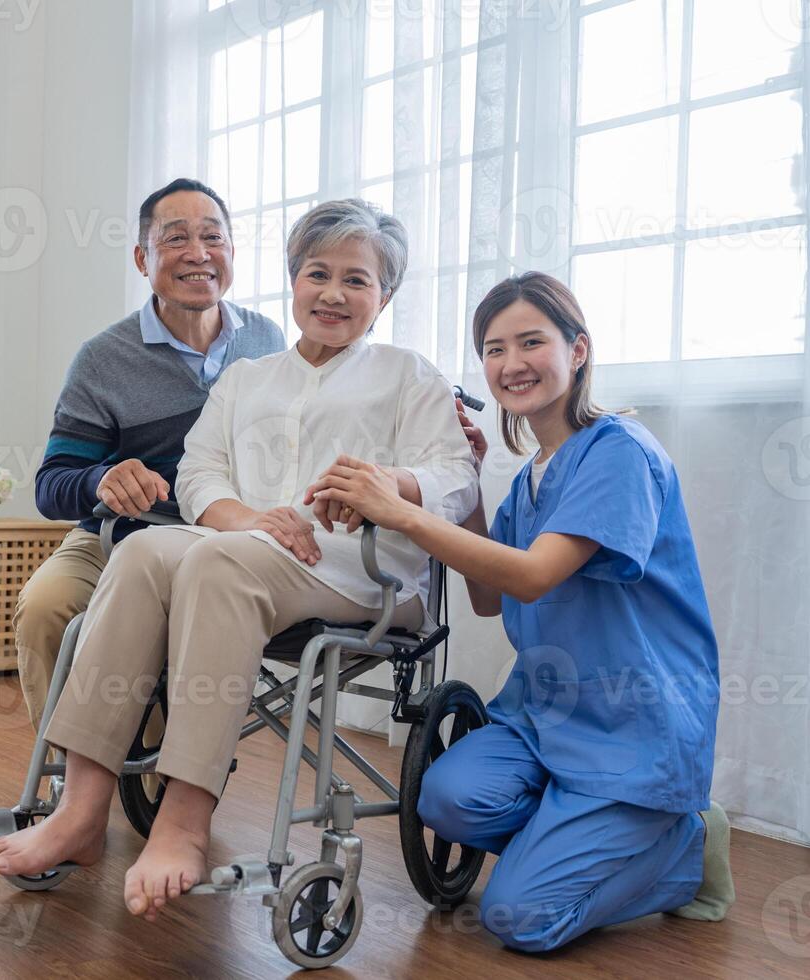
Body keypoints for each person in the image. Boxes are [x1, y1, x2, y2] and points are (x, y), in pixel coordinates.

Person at [0, 199, 480, 921]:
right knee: (147, 549)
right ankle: (83, 807)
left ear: (387, 296)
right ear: (291, 279)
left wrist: (389, 485)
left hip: (363, 572)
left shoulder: (409, 375)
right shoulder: (249, 378)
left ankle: (184, 819)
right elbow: (197, 475)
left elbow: (458, 478)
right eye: (317, 274)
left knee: (219, 565)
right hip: (250, 552)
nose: (334, 293)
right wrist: (253, 522)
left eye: (357, 280)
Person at [308, 271, 732, 951]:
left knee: (520, 919)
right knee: (445, 800)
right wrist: (468, 484)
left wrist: (401, 510)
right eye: (494, 349)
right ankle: (581, 834)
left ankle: (685, 846)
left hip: (632, 725)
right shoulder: (534, 475)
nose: (511, 364)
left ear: (580, 349)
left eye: (531, 342)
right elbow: (487, 595)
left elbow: (533, 578)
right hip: (546, 714)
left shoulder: (620, 451)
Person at [15, 178, 285, 729]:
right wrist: (102, 479)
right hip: (118, 539)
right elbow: (52, 485)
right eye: (176, 238)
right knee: (45, 607)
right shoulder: (103, 358)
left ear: (232, 252)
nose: (198, 253)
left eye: (213, 237)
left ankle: (167, 764)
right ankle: (65, 773)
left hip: (232, 539)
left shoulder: (269, 341)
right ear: (143, 258)